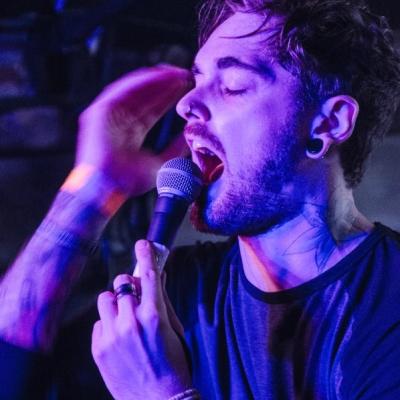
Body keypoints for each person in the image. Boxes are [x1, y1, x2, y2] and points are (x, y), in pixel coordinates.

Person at [0, 0, 400, 399]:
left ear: (328, 123)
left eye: (232, 86)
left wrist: (158, 393)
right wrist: (93, 189)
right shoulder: (181, 292)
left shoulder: (389, 307)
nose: (185, 105)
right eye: (197, 81)